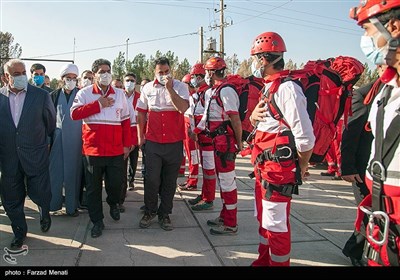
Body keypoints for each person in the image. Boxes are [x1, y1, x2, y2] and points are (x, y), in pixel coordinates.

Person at [249, 32, 315, 266]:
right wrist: (254, 119)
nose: (253, 65)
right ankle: (263, 261)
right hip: (265, 168)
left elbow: (306, 138)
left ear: (264, 60)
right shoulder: (270, 87)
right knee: (265, 220)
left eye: (254, 59)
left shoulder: (287, 89)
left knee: (276, 225)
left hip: (277, 171)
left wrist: (301, 166)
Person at [348, 0, 400, 266]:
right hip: (381, 220)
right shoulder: (386, 90)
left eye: (368, 30)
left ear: (393, 26)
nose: (366, 41)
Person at [70, 58, 131, 238]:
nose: (105, 74)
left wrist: (127, 145)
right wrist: (98, 105)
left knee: (115, 185)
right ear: (94, 74)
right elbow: (74, 114)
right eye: (102, 72)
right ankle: (97, 221)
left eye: (108, 71)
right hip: (93, 151)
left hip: (115, 151)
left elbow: (126, 121)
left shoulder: (119, 94)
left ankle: (113, 204)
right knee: (93, 189)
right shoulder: (85, 93)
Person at [0, 59, 56, 249]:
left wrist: (42, 143)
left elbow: (50, 124)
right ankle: (19, 232)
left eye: (23, 72)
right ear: (5, 77)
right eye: (16, 74)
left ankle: (44, 211)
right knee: (11, 199)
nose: (22, 76)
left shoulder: (40, 96)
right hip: (8, 158)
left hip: (35, 154)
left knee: (40, 191)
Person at [136, 57, 189, 231]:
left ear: (171, 71)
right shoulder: (147, 88)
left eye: (167, 72)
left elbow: (182, 108)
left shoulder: (181, 87)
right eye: (160, 72)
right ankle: (150, 211)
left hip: (174, 142)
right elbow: (141, 113)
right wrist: (140, 136)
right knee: (151, 179)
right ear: (154, 73)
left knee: (169, 181)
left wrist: (170, 89)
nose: (164, 75)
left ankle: (164, 213)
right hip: (153, 142)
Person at [193, 57, 242, 235]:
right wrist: (197, 130)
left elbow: (235, 119)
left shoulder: (226, 91)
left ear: (212, 72)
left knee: (228, 183)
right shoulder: (213, 91)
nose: (204, 75)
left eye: (206, 72)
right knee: (223, 182)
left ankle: (231, 223)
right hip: (217, 142)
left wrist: (239, 142)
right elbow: (207, 116)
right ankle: (225, 215)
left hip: (225, 144)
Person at [340, 68, 385, 266]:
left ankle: (357, 248)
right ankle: (355, 250)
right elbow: (350, 133)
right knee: (371, 213)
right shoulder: (364, 94)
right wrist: (348, 168)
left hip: (387, 167)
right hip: (362, 169)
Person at [49, 63, 82, 217]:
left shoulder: (82, 94)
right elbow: (48, 118)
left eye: (74, 78)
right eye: (68, 78)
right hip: (57, 139)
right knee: (55, 172)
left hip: (76, 140)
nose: (71, 81)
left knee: (74, 173)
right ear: (62, 79)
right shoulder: (53, 96)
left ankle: (72, 206)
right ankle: (54, 203)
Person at [186, 63, 216, 211]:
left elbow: (206, 117)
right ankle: (204, 195)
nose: (192, 80)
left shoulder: (208, 93)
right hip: (201, 137)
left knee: (209, 169)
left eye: (193, 77)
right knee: (205, 168)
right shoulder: (199, 94)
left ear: (199, 77)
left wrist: (196, 131)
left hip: (208, 138)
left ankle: (208, 199)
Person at [119, 73, 140, 212]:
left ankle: (130, 179)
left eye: (132, 81)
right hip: (119, 137)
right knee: (120, 168)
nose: (129, 83)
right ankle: (121, 194)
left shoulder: (140, 97)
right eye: (127, 80)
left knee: (133, 161)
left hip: (135, 134)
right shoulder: (119, 95)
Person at [178, 73, 199, 191]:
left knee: (193, 156)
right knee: (189, 155)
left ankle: (193, 181)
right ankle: (190, 179)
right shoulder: (189, 97)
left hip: (191, 128)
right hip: (187, 127)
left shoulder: (195, 97)